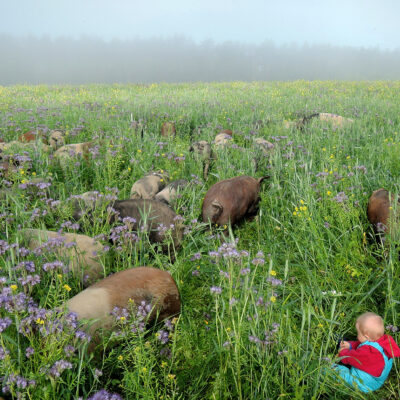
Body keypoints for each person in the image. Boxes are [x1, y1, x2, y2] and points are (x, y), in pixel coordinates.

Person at [332, 312, 400, 393]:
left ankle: (325, 368)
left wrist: (342, 352)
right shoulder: (382, 341)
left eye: (358, 333)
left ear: (366, 336)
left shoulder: (370, 353)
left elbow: (351, 357)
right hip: (374, 378)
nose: (357, 336)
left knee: (339, 374)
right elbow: (362, 345)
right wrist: (350, 345)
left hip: (364, 384)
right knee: (357, 350)